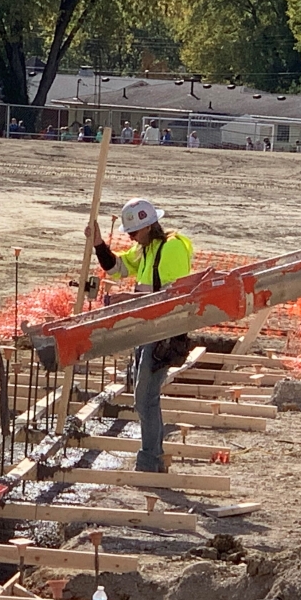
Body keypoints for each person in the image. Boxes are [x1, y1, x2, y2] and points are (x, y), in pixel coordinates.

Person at [85, 199, 194, 473]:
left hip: (166, 330)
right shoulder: (146, 248)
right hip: (149, 329)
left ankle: (149, 462)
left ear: (147, 226)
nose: (130, 236)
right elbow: (117, 268)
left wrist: (128, 297)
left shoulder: (172, 248)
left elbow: (172, 294)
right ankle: (153, 459)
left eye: (133, 232)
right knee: (145, 396)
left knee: (145, 396)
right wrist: (99, 244)